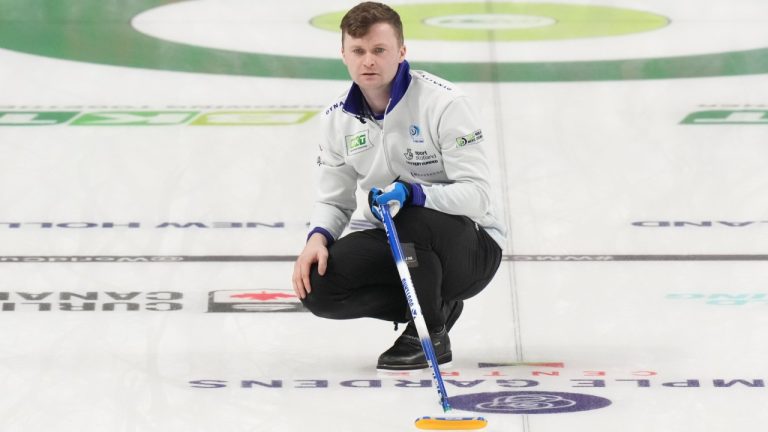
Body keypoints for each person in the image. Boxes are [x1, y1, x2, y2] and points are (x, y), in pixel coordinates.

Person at [291, 1, 505, 371]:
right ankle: (433, 303)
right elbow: (334, 199)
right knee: (320, 287)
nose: (368, 61)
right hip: (394, 236)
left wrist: (414, 192)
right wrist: (317, 238)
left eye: (379, 50)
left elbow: (478, 196)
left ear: (401, 52)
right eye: (358, 51)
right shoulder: (336, 119)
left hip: (470, 247)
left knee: (409, 214)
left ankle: (429, 334)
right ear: (343, 54)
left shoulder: (445, 104)